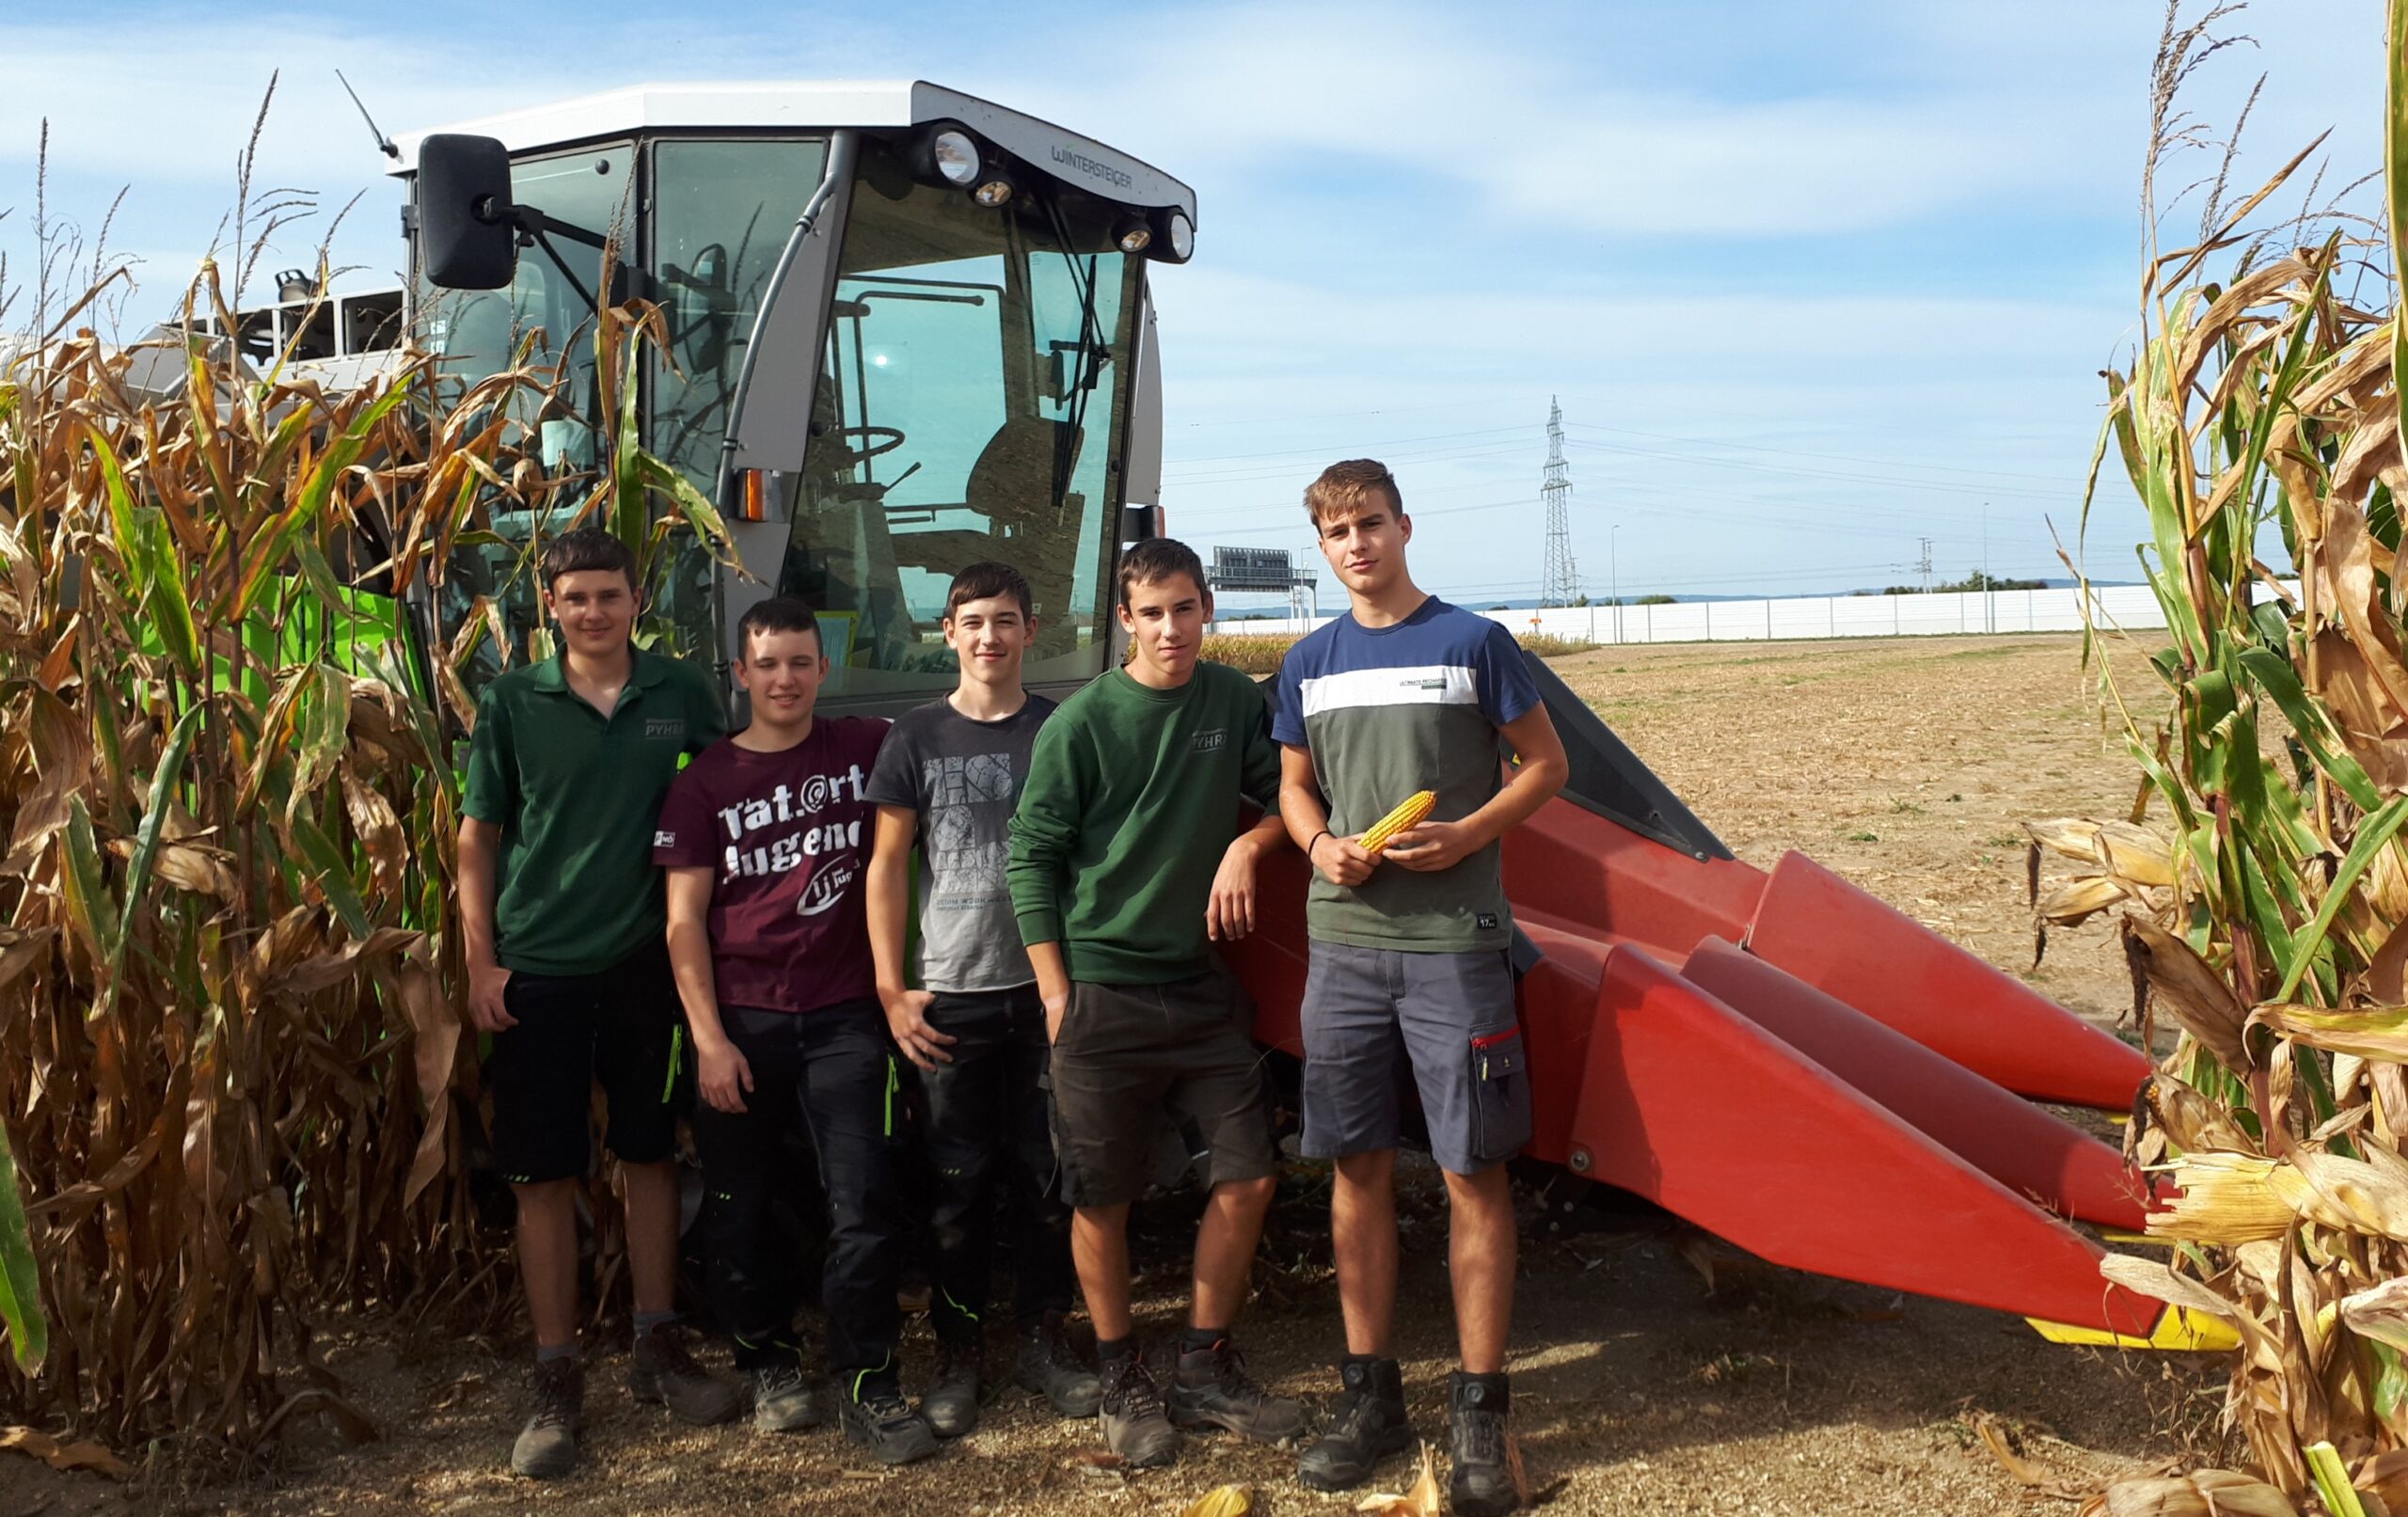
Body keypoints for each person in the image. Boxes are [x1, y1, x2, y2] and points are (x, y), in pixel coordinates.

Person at [1273, 460, 1569, 1516]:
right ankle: (1369, 1396)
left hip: (1455, 942)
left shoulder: (1474, 642)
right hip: (1343, 946)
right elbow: (1295, 784)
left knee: (1470, 1170)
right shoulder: (1306, 660)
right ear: (1321, 546)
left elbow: (1544, 763)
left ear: (1404, 526)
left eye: (1370, 523)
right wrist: (1319, 845)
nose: (1356, 543)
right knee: (1354, 1167)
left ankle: (1480, 1407)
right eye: (1335, 530)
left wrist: (1470, 833)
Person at [1005, 537, 1307, 1468]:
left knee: (1250, 1173)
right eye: (1151, 612)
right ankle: (1120, 1369)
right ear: (1123, 622)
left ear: (1206, 610)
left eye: (1185, 608)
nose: (1170, 627)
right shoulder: (1085, 721)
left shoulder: (1228, 700)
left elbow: (1285, 794)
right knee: (1102, 1194)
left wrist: (1248, 844)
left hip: (1200, 987)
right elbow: (1031, 856)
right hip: (1100, 988)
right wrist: (1056, 993)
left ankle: (1205, 1360)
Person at [458, 527, 743, 1481]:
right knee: (541, 1173)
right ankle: (555, 1371)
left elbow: (732, 790)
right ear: (552, 606)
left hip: (645, 966)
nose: (593, 611)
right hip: (536, 965)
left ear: (636, 600)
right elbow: (477, 840)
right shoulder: (512, 701)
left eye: (609, 595)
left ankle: (657, 1343)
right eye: (575, 597)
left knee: (651, 1152)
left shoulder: (680, 693)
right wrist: (480, 962)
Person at [654, 596, 940, 1466]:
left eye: (800, 662)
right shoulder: (704, 782)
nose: (785, 678)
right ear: (740, 675)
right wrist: (709, 1039)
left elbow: (964, 714)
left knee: (864, 1200)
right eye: (767, 664)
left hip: (848, 1015)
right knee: (738, 1208)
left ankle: (867, 1376)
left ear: (824, 668)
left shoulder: (866, 746)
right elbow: (683, 923)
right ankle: (769, 1359)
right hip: (744, 1022)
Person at [863, 561, 1100, 1438]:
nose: (989, 636)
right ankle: (957, 1353)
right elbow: (888, 865)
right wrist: (892, 988)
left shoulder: (1062, 728)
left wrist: (1071, 982)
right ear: (948, 631)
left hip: (1045, 993)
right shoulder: (914, 736)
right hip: (952, 994)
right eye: (973, 621)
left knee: (1048, 1176)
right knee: (955, 1183)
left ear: (1032, 630)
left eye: (1006, 620)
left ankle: (1044, 1339)